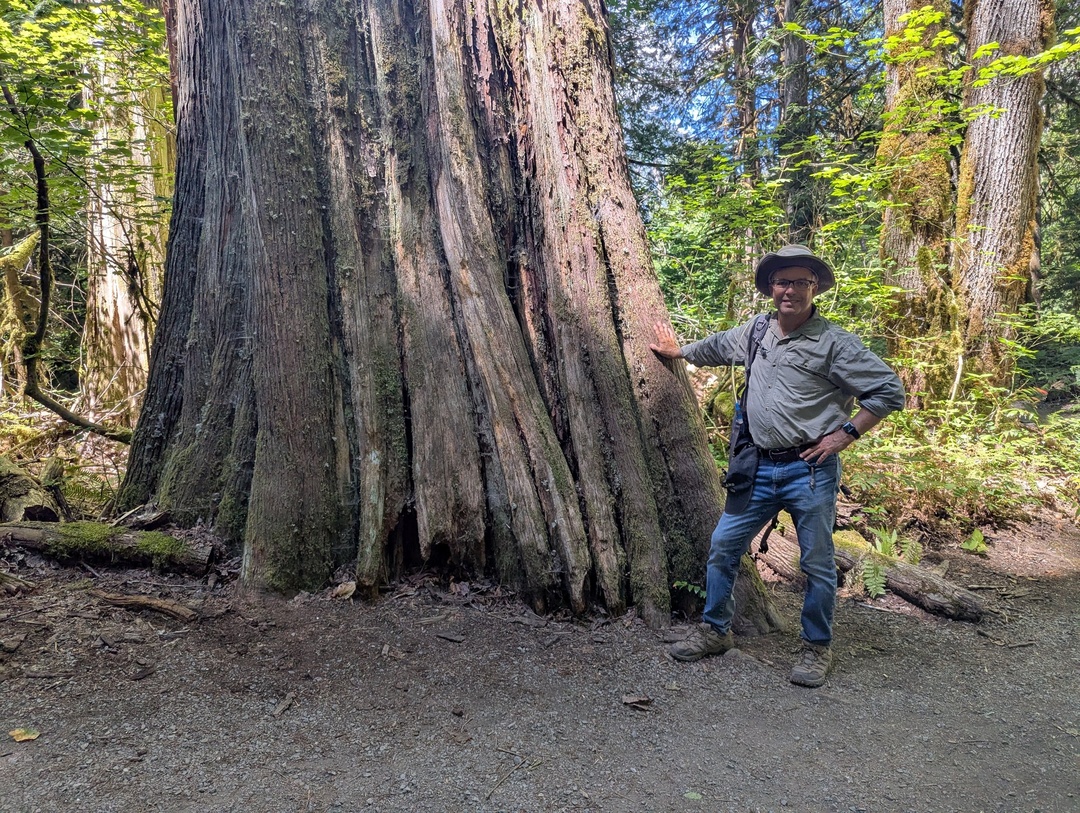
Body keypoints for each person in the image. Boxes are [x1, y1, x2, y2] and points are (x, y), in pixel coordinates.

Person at [649, 245, 905, 687]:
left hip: (810, 470)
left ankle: (815, 648)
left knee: (817, 563)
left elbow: (888, 391)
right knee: (724, 546)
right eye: (782, 281)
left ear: (815, 288)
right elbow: (714, 347)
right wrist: (679, 351)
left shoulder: (835, 344)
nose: (790, 290)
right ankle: (715, 631)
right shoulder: (756, 332)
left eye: (800, 282)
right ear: (771, 288)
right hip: (757, 468)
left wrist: (845, 434)